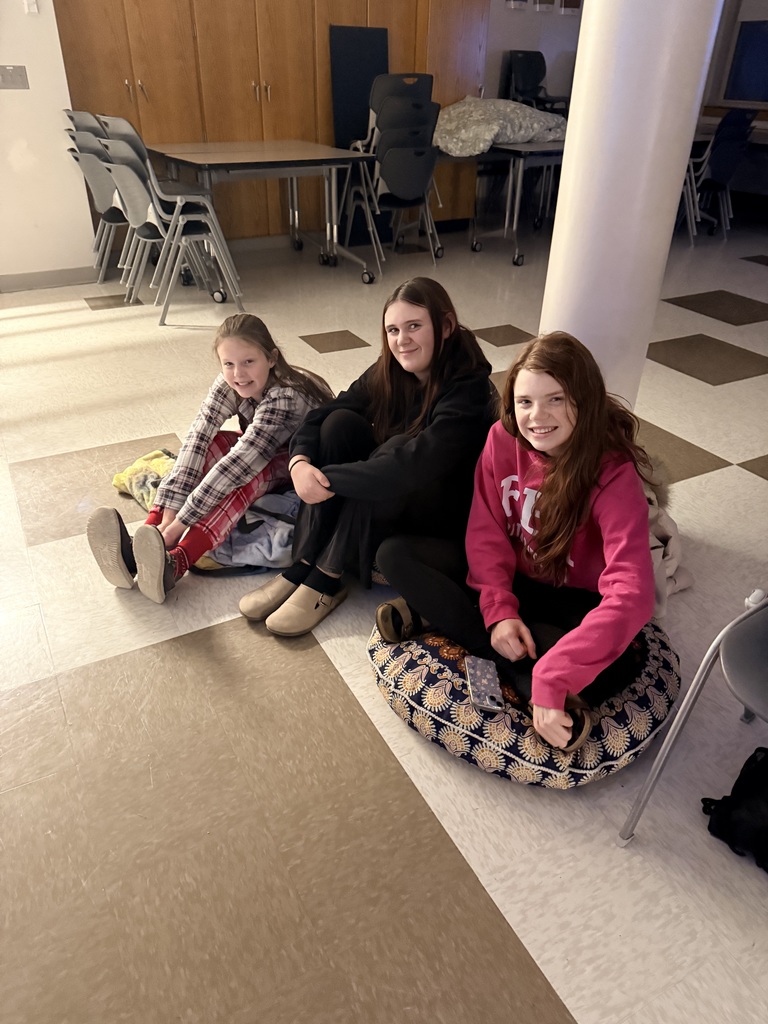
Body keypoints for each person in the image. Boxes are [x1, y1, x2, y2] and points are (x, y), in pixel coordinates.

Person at [376, 331, 656, 751]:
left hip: (571, 595)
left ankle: (449, 618)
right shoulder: (501, 439)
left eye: (556, 399)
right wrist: (498, 612)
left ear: (585, 399)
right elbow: (486, 531)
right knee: (395, 554)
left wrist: (555, 673)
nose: (537, 416)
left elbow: (632, 593)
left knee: (615, 658)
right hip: (514, 575)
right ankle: (510, 664)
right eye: (524, 402)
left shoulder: (613, 472)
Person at [239, 277, 498, 637]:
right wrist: (300, 463)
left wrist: (326, 479)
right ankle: (305, 561)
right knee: (339, 424)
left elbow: (410, 466)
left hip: (443, 513)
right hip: (397, 493)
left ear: (447, 326)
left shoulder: (469, 388)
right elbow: (324, 413)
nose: (401, 340)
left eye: (414, 326)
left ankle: (326, 579)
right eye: (392, 330)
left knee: (389, 456)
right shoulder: (391, 367)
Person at [87, 313, 332, 604]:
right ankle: (137, 549)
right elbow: (197, 438)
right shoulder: (230, 381)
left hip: (302, 464)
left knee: (246, 475)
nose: (238, 373)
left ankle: (178, 561)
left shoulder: (285, 397)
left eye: (248, 362)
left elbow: (239, 465)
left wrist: (179, 525)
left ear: (272, 358)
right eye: (228, 364)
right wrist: (160, 521)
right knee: (212, 443)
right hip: (262, 449)